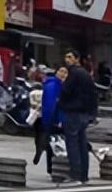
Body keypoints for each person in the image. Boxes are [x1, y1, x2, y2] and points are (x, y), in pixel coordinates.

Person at [58, 50, 96, 184]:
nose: (67, 60)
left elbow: (66, 91)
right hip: (84, 114)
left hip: (74, 112)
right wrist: (92, 113)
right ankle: (83, 176)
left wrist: (62, 84)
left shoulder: (74, 73)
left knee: (72, 144)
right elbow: (93, 94)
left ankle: (75, 175)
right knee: (81, 144)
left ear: (76, 59)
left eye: (70, 57)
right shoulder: (86, 74)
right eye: (66, 57)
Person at [33, 67, 65, 175]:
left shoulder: (52, 84)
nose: (63, 74)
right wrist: (58, 120)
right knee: (56, 143)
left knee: (52, 142)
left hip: (49, 119)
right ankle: (53, 167)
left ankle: (49, 163)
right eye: (61, 71)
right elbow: (53, 104)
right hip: (54, 119)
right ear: (56, 73)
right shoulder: (54, 86)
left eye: (66, 72)